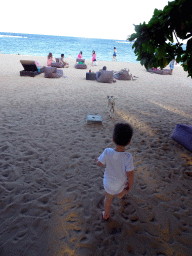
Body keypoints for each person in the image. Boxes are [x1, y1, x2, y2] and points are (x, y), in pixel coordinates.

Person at [96, 123, 134, 220]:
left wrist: (97, 160)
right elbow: (130, 174)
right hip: (120, 184)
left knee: (108, 199)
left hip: (108, 184)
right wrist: (129, 187)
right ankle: (121, 193)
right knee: (123, 184)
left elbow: (99, 163)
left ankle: (106, 214)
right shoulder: (128, 157)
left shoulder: (107, 151)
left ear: (113, 139)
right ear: (129, 142)